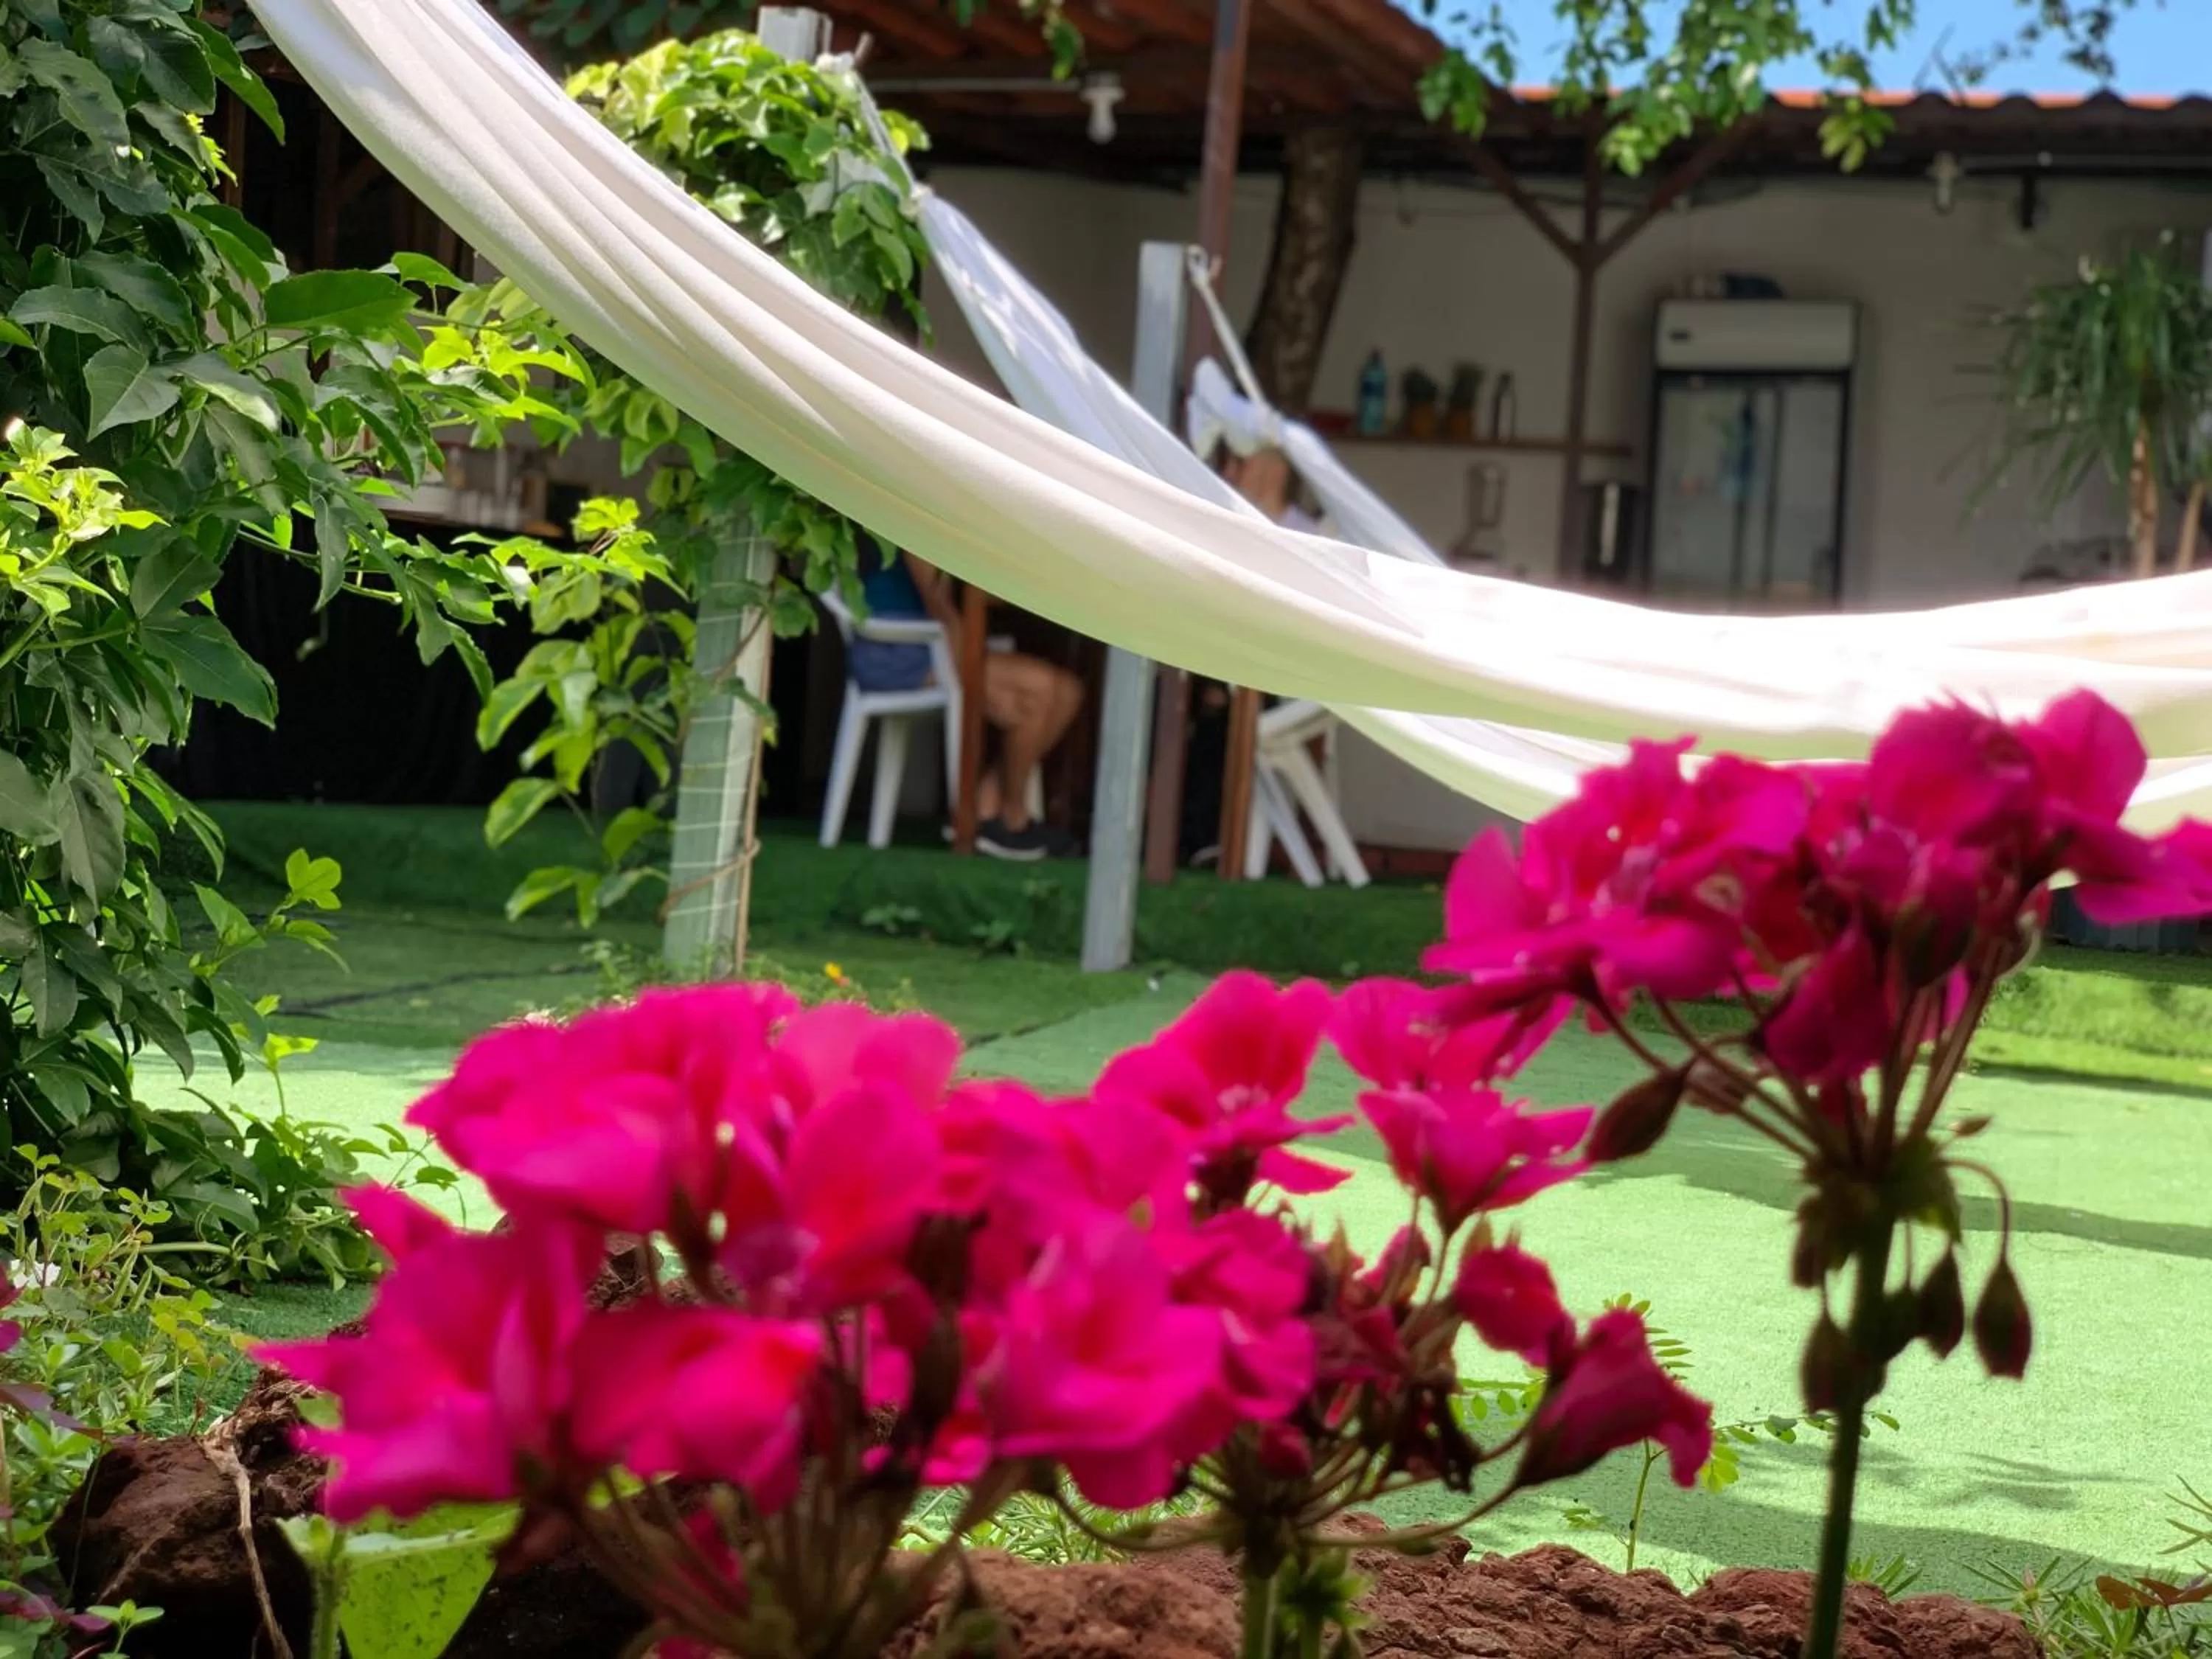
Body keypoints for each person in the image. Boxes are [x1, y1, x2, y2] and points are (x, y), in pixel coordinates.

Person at [847, 532, 1083, 861]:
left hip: (935, 644)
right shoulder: (916, 517)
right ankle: (1014, 818)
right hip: (898, 647)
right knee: (1041, 690)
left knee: (1068, 692)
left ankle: (984, 807)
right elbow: (940, 606)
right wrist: (971, 680)